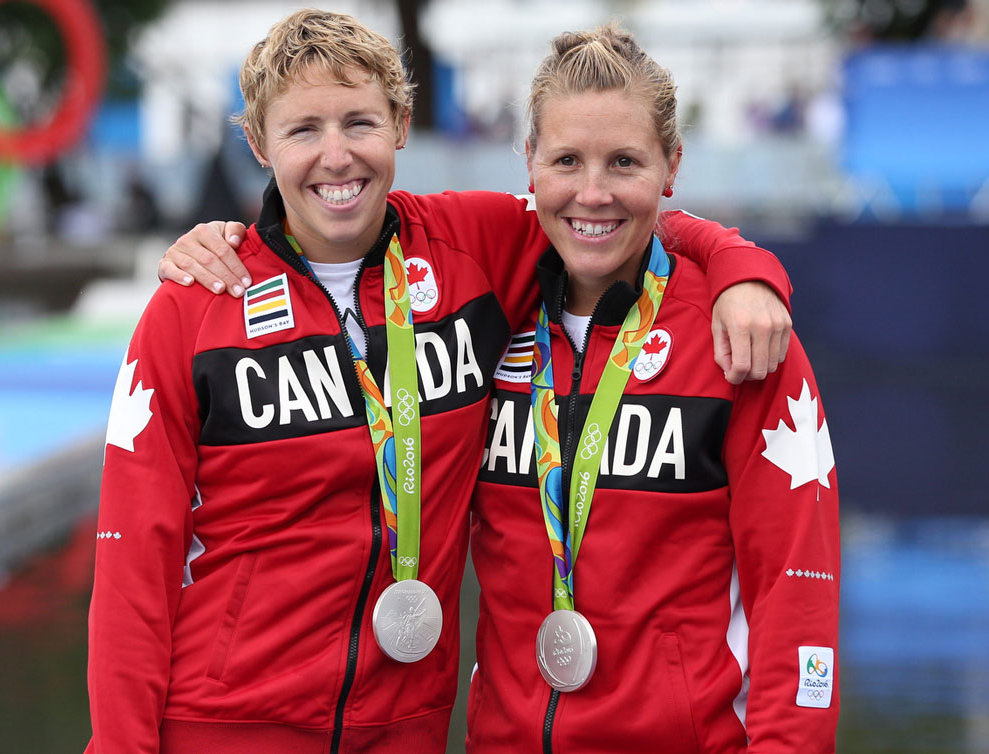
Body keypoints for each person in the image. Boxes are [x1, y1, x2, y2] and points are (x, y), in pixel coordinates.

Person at [88, 9, 794, 753]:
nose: (336, 157)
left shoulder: (474, 248)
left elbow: (609, 211)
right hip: (223, 729)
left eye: (359, 122)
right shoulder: (196, 307)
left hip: (403, 729)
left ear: (401, 123)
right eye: (303, 131)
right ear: (260, 144)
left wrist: (742, 269)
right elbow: (134, 566)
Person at [467, 26, 839, 752]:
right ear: (530, 164)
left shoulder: (741, 339)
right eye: (567, 160)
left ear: (672, 166)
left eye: (625, 162)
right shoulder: (483, 317)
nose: (593, 193)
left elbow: (795, 587)